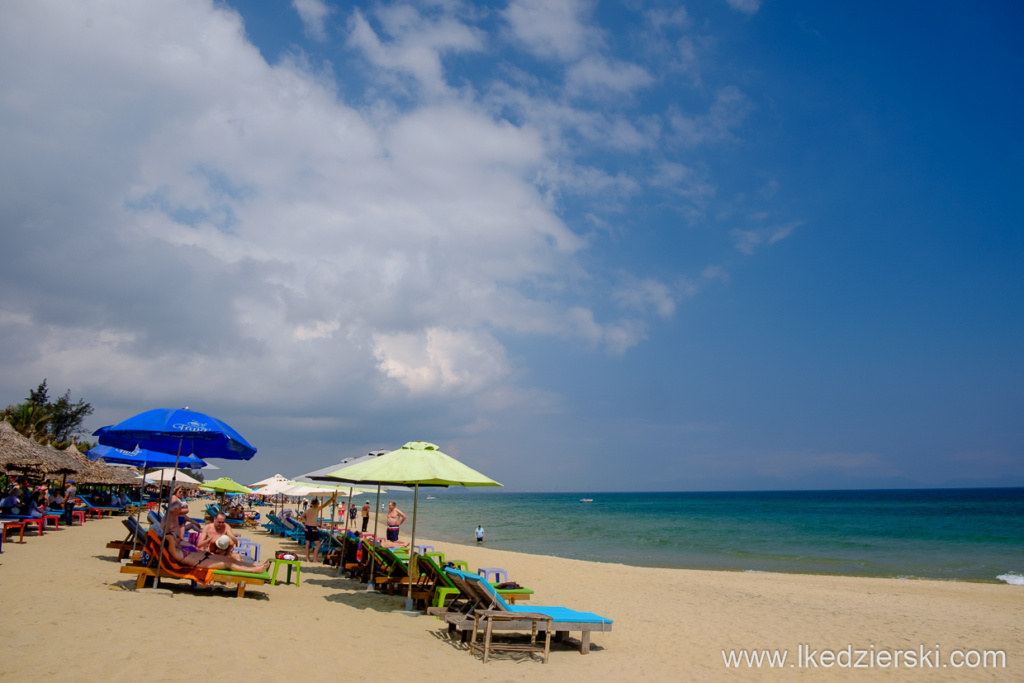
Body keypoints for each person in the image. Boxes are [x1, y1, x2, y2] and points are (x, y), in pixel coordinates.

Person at [161, 528, 270, 573]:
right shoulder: (176, 552)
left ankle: (255, 565)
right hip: (201, 562)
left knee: (230, 560)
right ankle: (255, 570)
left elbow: (174, 537)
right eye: (174, 539)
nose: (177, 539)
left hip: (206, 556)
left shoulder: (180, 546)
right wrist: (165, 536)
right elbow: (170, 538)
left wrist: (172, 537)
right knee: (229, 564)